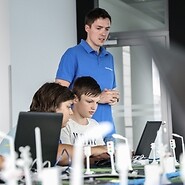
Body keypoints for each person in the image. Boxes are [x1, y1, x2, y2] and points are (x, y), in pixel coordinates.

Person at [0, 82, 108, 168]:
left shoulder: (48, 130)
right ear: (55, 106)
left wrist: (96, 160)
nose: (71, 112)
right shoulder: (31, 127)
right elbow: (54, 152)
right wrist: (94, 150)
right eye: (68, 106)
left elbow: (59, 158)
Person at [55, 7, 119, 142]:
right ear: (87, 28)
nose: (103, 33)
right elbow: (58, 93)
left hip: (107, 129)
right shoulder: (72, 54)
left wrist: (113, 97)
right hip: (81, 131)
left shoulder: (109, 58)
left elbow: (110, 90)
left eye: (106, 29)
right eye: (98, 28)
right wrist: (98, 98)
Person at [61, 76, 106, 146]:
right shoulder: (65, 125)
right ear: (75, 99)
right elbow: (66, 154)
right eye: (89, 101)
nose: (94, 107)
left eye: (97, 102)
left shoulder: (94, 125)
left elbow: (102, 151)